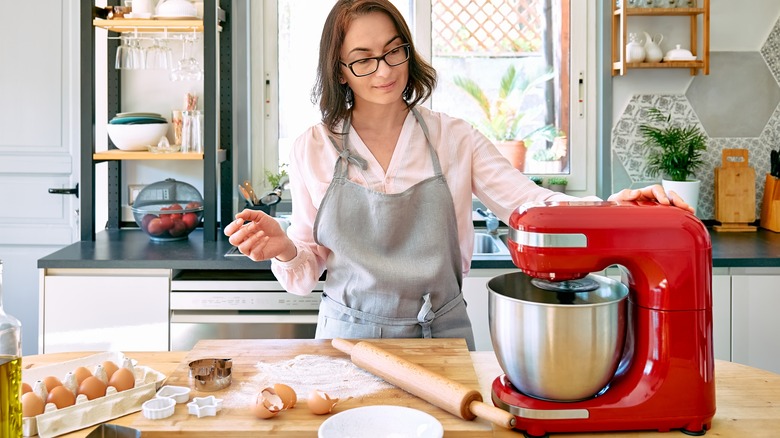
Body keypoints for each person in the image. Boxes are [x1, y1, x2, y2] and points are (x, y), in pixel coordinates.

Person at [225, 0, 692, 350]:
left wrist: (615, 208)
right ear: (340, 71)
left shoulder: (454, 139)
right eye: (363, 58)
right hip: (347, 343)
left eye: (394, 51)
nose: (385, 70)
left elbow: (531, 206)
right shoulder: (313, 145)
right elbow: (306, 271)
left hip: (440, 339)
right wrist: (284, 248)